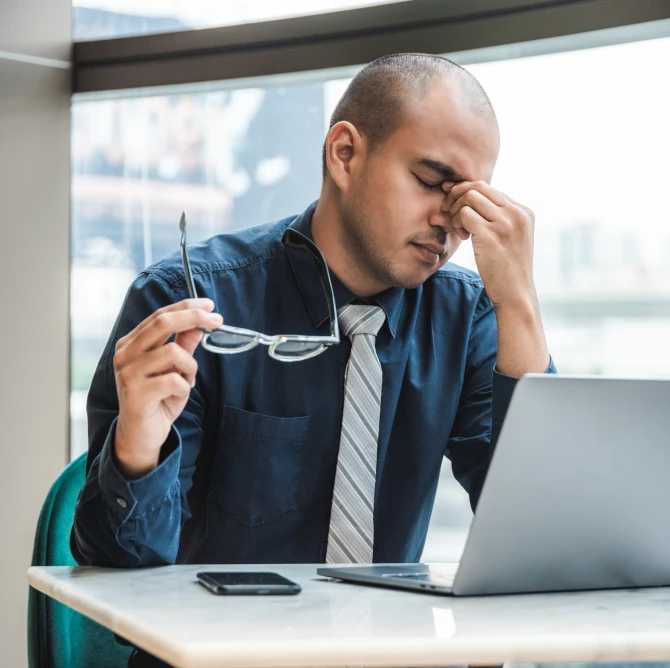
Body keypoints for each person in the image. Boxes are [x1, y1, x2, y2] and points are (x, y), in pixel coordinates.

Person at [71, 53, 555, 667]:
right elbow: (119, 572)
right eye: (433, 182)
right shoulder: (190, 299)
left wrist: (521, 304)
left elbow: (538, 537)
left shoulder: (470, 317)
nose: (450, 222)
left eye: (467, 201)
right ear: (344, 154)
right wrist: (137, 446)